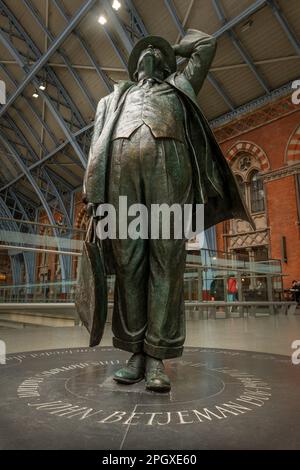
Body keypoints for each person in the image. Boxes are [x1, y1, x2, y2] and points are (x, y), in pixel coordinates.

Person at [82, 29, 252, 393]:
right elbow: (97, 144)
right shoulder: (113, 98)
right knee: (129, 263)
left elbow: (207, 44)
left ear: (165, 63)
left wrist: (169, 48)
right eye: (143, 52)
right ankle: (134, 354)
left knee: (166, 259)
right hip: (120, 176)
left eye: (155, 53)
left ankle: (157, 354)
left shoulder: (180, 84)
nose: (149, 55)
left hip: (169, 169)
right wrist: (92, 194)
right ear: (133, 66)